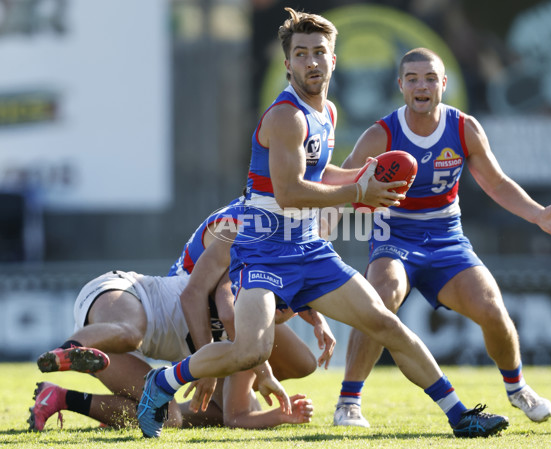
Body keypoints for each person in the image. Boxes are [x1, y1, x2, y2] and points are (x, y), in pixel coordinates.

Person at [136, 8, 509, 439]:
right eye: (301, 54)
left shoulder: (327, 113)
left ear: (334, 59)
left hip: (308, 246)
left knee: (385, 323)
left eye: (319, 52)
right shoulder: (285, 117)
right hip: (264, 248)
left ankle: (460, 415)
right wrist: (358, 193)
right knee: (248, 350)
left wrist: (359, 176)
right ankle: (161, 383)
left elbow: (319, 173)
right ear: (287, 64)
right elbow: (290, 192)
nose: (311, 61)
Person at [333, 47, 551, 427]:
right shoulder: (380, 134)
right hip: (395, 239)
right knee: (379, 300)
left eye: (431, 78)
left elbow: (496, 183)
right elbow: (342, 183)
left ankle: (518, 387)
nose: (422, 86)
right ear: (400, 85)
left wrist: (539, 215)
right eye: (414, 78)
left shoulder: (463, 127)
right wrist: (326, 218)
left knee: (492, 309)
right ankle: (348, 402)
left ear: (444, 84)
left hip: (446, 240)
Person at [29, 199, 335, 431]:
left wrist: (279, 415)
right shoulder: (247, 264)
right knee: (130, 331)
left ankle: (58, 398)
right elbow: (224, 306)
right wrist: (258, 373)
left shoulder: (252, 332)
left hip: (112, 347)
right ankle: (68, 350)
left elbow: (234, 416)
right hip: (126, 293)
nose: (288, 312)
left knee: (171, 417)